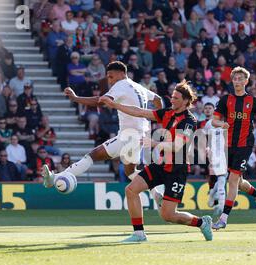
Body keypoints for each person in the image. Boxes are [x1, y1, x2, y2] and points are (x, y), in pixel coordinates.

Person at [100, 80, 213, 243]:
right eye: (172, 97)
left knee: (168, 215)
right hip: (160, 164)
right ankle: (139, 234)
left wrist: (153, 143)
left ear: (186, 101)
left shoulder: (189, 121)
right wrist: (114, 104)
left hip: (177, 169)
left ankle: (202, 222)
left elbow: (177, 146)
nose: (172, 100)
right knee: (131, 190)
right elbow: (139, 112)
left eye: (176, 98)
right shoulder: (167, 113)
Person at [42, 61, 164, 205]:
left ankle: (54, 178)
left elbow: (100, 102)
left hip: (127, 136)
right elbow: (158, 100)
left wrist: (76, 98)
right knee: (131, 172)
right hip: (140, 137)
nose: (110, 81)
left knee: (92, 156)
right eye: (108, 78)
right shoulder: (139, 87)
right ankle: (156, 193)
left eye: (111, 77)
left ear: (121, 74)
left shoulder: (121, 85)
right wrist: (158, 119)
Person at [211, 67, 256, 230]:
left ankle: (223, 218)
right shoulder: (225, 100)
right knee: (239, 181)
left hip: (245, 144)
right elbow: (215, 121)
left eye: (240, 78)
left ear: (246, 81)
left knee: (232, 180)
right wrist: (222, 123)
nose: (237, 81)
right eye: (234, 79)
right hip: (228, 145)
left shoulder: (253, 101)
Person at [197, 103, 227, 216]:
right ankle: (221, 205)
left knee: (222, 178)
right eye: (206, 108)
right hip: (214, 154)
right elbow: (203, 138)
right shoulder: (208, 124)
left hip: (226, 154)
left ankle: (212, 194)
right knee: (221, 178)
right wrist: (206, 149)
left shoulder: (226, 123)